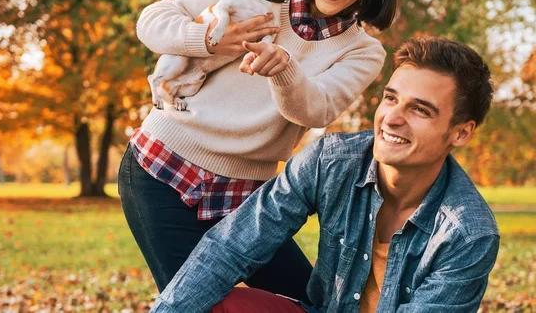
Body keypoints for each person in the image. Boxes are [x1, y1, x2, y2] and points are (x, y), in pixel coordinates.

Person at [118, 0, 398, 303]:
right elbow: (153, 20)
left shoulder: (363, 51)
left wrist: (283, 66)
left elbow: (316, 107)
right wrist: (209, 39)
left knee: (312, 303)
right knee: (193, 305)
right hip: (160, 167)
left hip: (250, 195)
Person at [149, 37, 500, 313]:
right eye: (391, 99)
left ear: (460, 133)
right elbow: (232, 246)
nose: (393, 118)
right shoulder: (331, 161)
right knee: (212, 303)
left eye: (420, 110)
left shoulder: (468, 233)